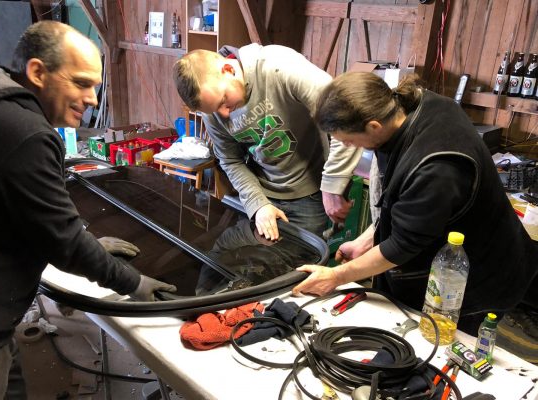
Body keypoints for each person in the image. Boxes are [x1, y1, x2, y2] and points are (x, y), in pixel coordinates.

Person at [0, 21, 176, 399]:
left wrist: (85, 237)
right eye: (81, 83)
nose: (93, 99)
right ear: (37, 72)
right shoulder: (22, 131)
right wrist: (134, 283)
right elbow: (61, 243)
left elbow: (31, 211)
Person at [292, 72, 538, 335]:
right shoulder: (416, 107)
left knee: (444, 345)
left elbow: (403, 245)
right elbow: (399, 204)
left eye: (348, 141)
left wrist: (336, 276)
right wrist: (369, 239)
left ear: (374, 126)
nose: (347, 146)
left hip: (475, 277)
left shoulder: (436, 166)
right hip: (448, 252)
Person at [172, 45, 362, 240]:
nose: (224, 114)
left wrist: (333, 185)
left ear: (229, 70)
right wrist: (257, 204)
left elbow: (345, 116)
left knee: (300, 266)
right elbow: (230, 160)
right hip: (262, 192)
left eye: (223, 101)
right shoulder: (212, 110)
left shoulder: (279, 66)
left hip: (309, 194)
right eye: (215, 110)